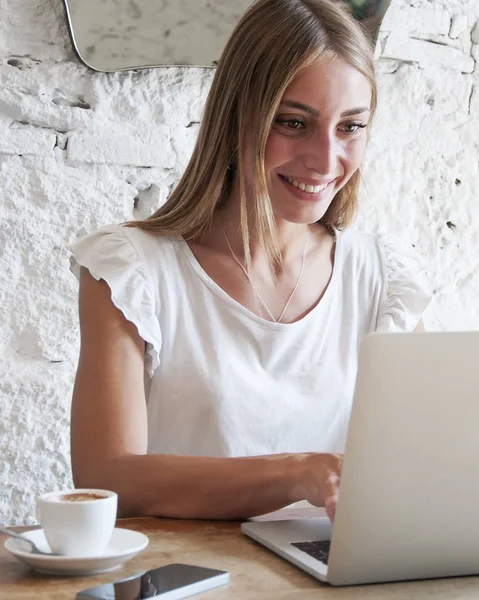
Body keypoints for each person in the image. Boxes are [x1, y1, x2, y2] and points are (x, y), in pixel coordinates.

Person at [70, 0, 430, 523]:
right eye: (294, 122)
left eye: (350, 128)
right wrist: (299, 473)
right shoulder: (132, 271)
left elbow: (428, 468)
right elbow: (108, 478)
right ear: (239, 114)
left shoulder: (383, 278)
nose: (325, 159)